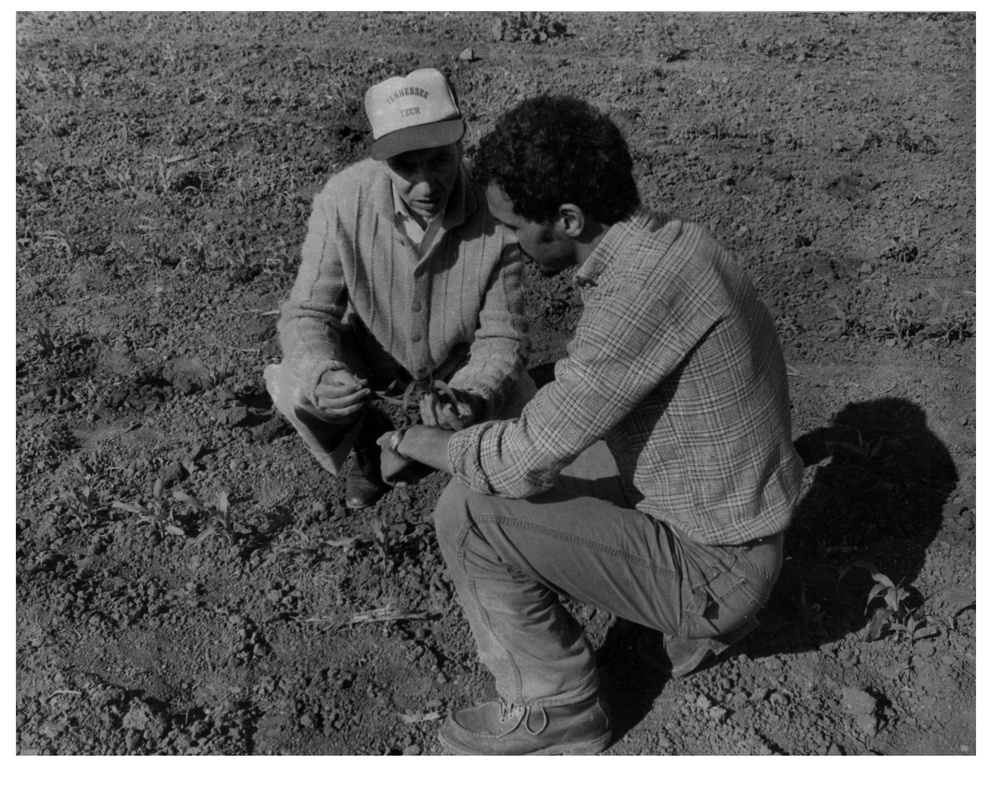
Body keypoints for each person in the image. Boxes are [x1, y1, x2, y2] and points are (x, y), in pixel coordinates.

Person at [377, 95, 804, 755]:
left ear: (568, 218)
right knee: (528, 418)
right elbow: (587, 388)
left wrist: (422, 442)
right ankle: (676, 610)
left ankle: (557, 711)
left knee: (469, 512)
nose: (511, 242)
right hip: (741, 527)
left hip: (719, 571)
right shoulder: (676, 245)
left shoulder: (637, 293)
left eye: (517, 226)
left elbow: (522, 459)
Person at [265, 67, 533, 510]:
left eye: (440, 160)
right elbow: (306, 313)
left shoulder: (494, 209)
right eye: (406, 166)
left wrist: (470, 395)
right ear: (381, 160)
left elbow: (504, 336)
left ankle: (430, 453)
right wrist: (324, 374)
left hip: (454, 372)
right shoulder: (342, 200)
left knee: (520, 401)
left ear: (459, 145)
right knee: (297, 384)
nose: (426, 184)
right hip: (370, 368)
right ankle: (369, 444)